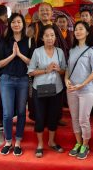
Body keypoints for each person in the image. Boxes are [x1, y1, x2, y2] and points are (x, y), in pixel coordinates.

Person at [28, 25, 66, 158]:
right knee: (39, 117)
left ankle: (51, 141)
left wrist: (58, 69)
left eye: (52, 35)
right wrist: (46, 70)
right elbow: (30, 71)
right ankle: (40, 144)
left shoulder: (59, 52)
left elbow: (64, 70)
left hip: (56, 89)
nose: (50, 38)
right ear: (42, 38)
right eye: (47, 35)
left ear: (55, 38)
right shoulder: (37, 52)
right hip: (40, 89)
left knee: (53, 116)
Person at [65, 21, 93, 159]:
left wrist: (82, 84)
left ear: (87, 32)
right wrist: (66, 79)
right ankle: (78, 143)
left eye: (81, 29)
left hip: (86, 89)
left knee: (83, 119)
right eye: (76, 29)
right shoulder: (72, 50)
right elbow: (68, 68)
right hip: (71, 89)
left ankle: (85, 144)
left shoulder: (92, 50)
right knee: (74, 118)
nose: (78, 32)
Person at [0, 13, 31, 156]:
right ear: (10, 24)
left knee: (22, 112)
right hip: (6, 80)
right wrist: (12, 55)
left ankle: (18, 141)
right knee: (7, 113)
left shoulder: (29, 41)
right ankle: (8, 142)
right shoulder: (5, 41)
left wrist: (19, 55)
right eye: (13, 22)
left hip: (23, 80)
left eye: (19, 22)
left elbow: (32, 63)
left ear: (23, 24)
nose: (16, 24)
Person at [0, 4, 9, 128]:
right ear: (5, 15)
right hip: (2, 63)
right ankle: (0, 118)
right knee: (1, 92)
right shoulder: (4, 28)